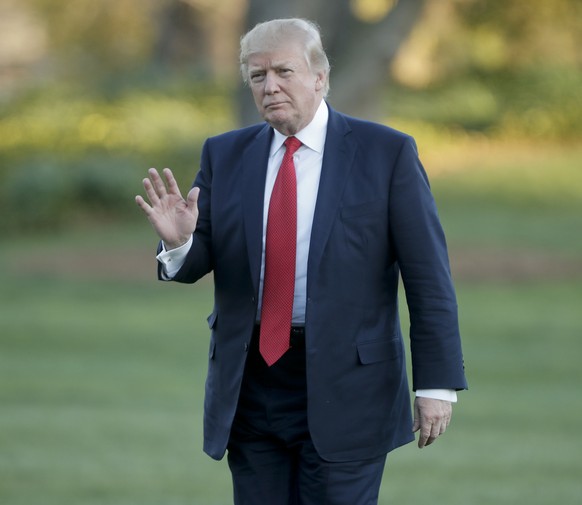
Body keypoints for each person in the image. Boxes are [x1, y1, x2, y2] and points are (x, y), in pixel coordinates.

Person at [136, 18, 467, 505]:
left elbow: (428, 278)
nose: (269, 86)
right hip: (251, 385)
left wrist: (436, 384)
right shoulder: (224, 155)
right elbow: (198, 260)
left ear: (319, 76)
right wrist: (182, 242)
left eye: (283, 71)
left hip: (350, 385)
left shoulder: (386, 153)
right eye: (257, 76)